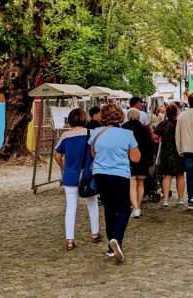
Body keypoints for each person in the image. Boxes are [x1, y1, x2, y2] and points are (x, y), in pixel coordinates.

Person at [90, 103, 141, 264]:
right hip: (120, 175)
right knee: (125, 209)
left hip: (100, 174)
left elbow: (93, 154)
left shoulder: (96, 133)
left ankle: (111, 248)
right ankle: (117, 240)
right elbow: (136, 158)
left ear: (102, 117)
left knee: (109, 208)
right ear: (120, 116)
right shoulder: (127, 134)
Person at [53, 108, 101, 251]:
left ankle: (69, 239)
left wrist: (64, 167)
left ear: (70, 120)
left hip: (70, 175)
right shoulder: (92, 134)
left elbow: (57, 156)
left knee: (71, 206)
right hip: (88, 174)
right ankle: (95, 233)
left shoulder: (65, 136)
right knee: (92, 203)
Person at [122, 108, 154, 219]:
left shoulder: (124, 128)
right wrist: (150, 160)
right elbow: (150, 146)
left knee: (132, 183)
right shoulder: (144, 129)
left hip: (129, 159)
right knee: (140, 183)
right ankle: (138, 206)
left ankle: (135, 208)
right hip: (143, 160)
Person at [155, 104, 186, 207]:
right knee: (180, 175)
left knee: (167, 175)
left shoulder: (163, 124)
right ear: (176, 112)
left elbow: (155, 136)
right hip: (179, 151)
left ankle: (166, 200)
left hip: (166, 152)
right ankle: (181, 199)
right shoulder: (179, 123)